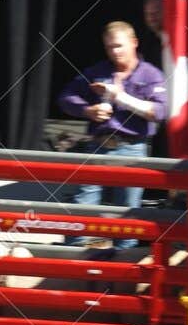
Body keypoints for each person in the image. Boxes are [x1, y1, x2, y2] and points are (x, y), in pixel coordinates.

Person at [55, 22, 167, 252]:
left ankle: (123, 275)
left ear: (134, 43)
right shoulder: (98, 71)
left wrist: (121, 98)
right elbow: (66, 97)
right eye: (109, 47)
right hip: (98, 146)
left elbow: (159, 112)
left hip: (132, 149)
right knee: (81, 206)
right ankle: (71, 267)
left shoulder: (151, 74)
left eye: (118, 46)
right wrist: (88, 111)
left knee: (127, 213)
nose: (114, 52)